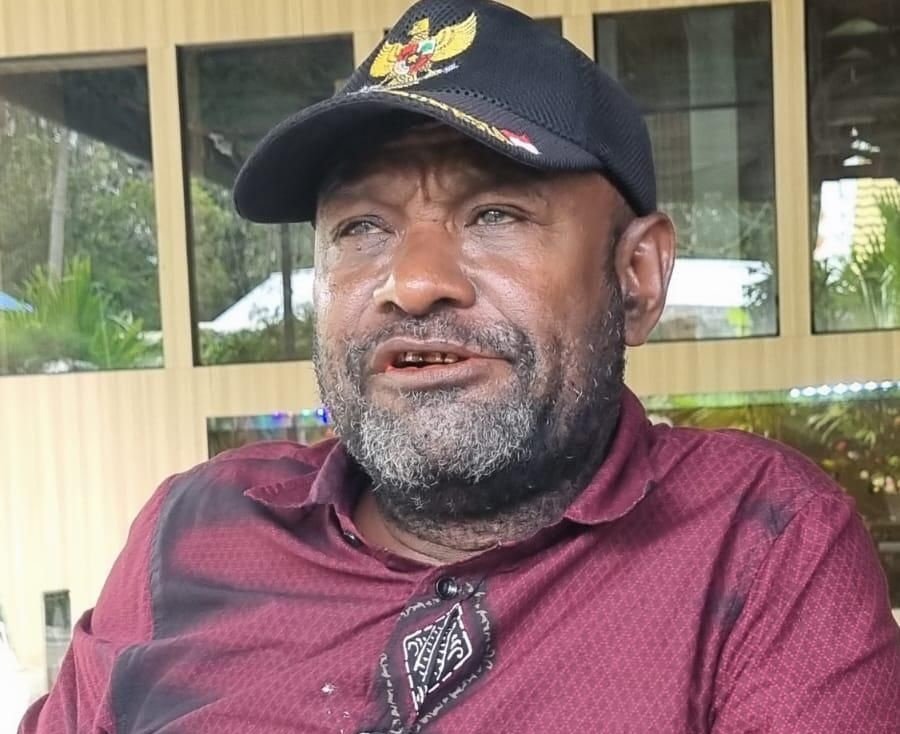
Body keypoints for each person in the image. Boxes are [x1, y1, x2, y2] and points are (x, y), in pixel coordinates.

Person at [21, 1, 900, 732]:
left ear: (637, 276)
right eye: (361, 227)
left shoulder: (759, 547)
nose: (412, 283)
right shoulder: (192, 532)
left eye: (495, 215)